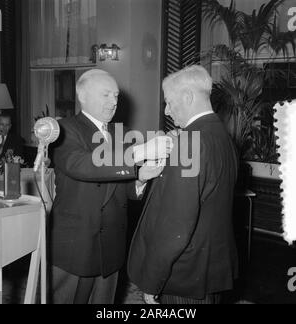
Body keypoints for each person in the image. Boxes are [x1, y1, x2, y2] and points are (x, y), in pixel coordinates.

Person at [48, 69, 172, 304]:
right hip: (75, 245)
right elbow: (82, 165)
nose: (113, 102)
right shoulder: (64, 129)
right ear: (82, 96)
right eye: (106, 95)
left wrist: (141, 178)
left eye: (115, 96)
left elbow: (120, 187)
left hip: (111, 245)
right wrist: (140, 152)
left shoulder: (122, 133)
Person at [127, 65, 239, 304]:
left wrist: (152, 280)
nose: (167, 111)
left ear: (187, 97)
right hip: (211, 269)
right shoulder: (223, 137)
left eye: (169, 102)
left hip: (183, 275)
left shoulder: (188, 144)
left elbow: (175, 225)